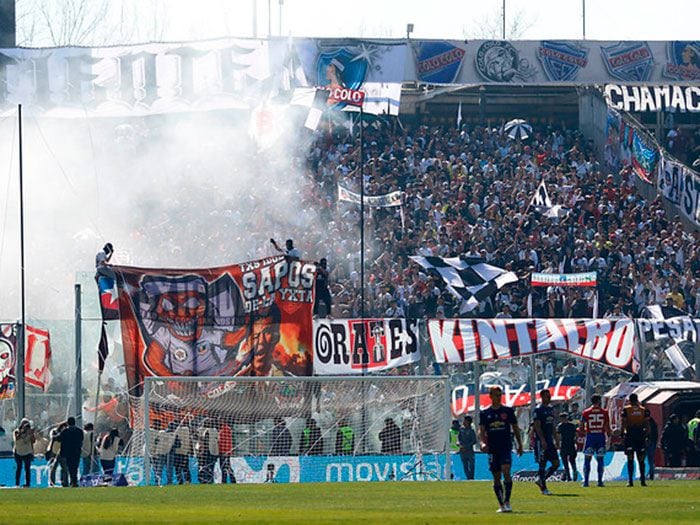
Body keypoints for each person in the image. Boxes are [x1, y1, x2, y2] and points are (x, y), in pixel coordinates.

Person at [479, 386, 523, 514]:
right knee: (496, 476)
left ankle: (507, 501)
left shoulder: (508, 411)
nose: (498, 397)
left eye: (500, 394)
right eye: (495, 395)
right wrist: (482, 443)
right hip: (492, 448)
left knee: (506, 471)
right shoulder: (485, 413)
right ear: (490, 396)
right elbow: (482, 430)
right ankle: (501, 504)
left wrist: (519, 444)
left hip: (505, 446)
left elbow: (515, 428)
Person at [532, 388, 560, 495]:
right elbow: (537, 427)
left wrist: (556, 440)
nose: (549, 398)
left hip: (549, 440)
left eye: (550, 396)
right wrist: (542, 440)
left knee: (556, 463)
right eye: (547, 396)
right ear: (542, 397)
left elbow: (552, 426)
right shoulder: (538, 410)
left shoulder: (550, 409)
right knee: (542, 463)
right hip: (541, 441)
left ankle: (541, 480)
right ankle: (543, 488)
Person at [580, 394, 611, 487]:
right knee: (600, 459)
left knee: (587, 459)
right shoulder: (604, 412)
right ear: (598, 401)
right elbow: (607, 428)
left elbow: (581, 427)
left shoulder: (586, 412)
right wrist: (608, 436)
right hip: (600, 436)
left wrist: (587, 432)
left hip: (590, 436)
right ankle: (600, 481)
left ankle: (586, 482)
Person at [621, 393, 650, 486]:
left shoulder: (626, 409)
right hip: (640, 435)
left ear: (630, 400)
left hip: (630, 435)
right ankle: (642, 480)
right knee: (641, 458)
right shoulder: (643, 410)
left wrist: (622, 434)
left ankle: (630, 481)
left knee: (630, 457)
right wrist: (647, 435)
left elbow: (624, 422)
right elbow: (647, 424)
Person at [56, 416, 85, 487]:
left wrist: (55, 434)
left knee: (70, 467)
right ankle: (74, 481)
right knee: (75, 467)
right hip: (77, 451)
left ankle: (73, 481)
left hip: (68, 452)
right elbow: (81, 439)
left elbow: (59, 439)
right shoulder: (79, 431)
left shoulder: (65, 431)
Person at [13, 418, 35, 488]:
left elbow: (33, 441)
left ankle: (27, 483)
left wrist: (31, 434)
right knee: (19, 468)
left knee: (27, 468)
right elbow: (17, 438)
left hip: (27, 452)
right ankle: (17, 483)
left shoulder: (29, 432)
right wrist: (22, 431)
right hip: (18, 452)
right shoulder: (17, 431)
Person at [557, 412, 578, 482]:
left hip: (564, 445)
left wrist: (558, 444)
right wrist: (575, 442)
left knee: (566, 462)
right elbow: (576, 435)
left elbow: (559, 437)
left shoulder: (560, 426)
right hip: (570, 444)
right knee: (571, 461)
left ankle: (569, 476)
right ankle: (572, 473)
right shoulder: (572, 425)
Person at [47, 422, 68, 487]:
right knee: (53, 468)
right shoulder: (54, 431)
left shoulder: (66, 433)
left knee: (64, 468)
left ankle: (64, 482)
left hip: (62, 452)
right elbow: (54, 438)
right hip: (54, 452)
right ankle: (51, 482)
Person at [174, 418, 193, 484]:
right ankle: (188, 480)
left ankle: (180, 481)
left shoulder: (175, 431)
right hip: (185, 452)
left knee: (177, 468)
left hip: (177, 452)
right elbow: (190, 441)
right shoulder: (186, 430)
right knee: (185, 467)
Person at [458, 415, 477, 480]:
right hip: (462, 451)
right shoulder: (461, 429)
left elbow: (474, 441)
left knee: (471, 464)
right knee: (465, 465)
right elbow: (459, 438)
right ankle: (468, 477)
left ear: (468, 422)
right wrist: (459, 444)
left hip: (469, 451)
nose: (464, 422)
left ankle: (471, 477)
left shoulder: (471, 430)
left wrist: (467, 446)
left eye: (465, 421)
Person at [218, 418, 236, 483]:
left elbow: (221, 442)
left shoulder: (222, 431)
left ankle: (224, 480)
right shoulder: (229, 430)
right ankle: (232, 479)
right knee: (228, 466)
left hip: (223, 451)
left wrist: (219, 450)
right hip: (228, 451)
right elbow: (230, 441)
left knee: (223, 467)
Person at [646, 415, 659, 479]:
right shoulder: (653, 423)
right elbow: (656, 434)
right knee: (650, 460)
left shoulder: (647, 423)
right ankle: (651, 474)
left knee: (648, 460)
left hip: (649, 443)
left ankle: (650, 474)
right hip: (652, 443)